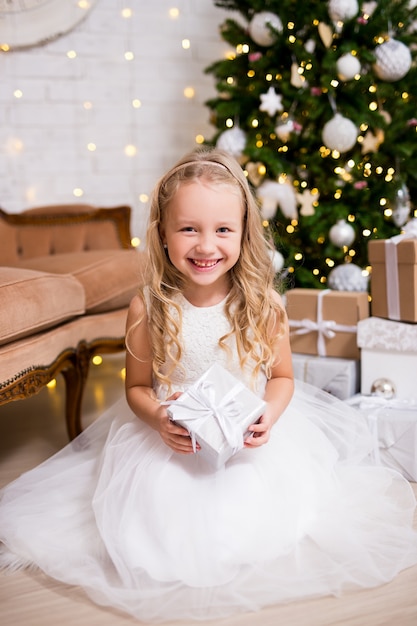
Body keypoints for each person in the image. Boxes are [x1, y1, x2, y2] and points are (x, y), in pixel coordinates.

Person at [1, 148, 417, 623]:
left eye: (222, 230)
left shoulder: (263, 306)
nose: (205, 246)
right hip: (173, 441)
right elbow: (136, 388)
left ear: (244, 232)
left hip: (248, 441)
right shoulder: (150, 307)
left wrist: (270, 414)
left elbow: (281, 378)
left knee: (255, 514)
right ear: (162, 232)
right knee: (160, 523)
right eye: (188, 229)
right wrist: (158, 415)